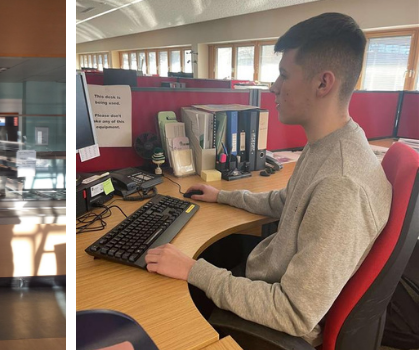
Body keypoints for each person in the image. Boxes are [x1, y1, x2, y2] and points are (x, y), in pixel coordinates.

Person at [144, 12, 392, 345]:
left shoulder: (342, 184)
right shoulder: (330, 142)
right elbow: (289, 201)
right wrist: (224, 196)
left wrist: (194, 271)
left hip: (275, 314)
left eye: (284, 75)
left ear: (323, 83)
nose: (273, 86)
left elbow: (293, 313)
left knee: (158, 308)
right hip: (267, 275)